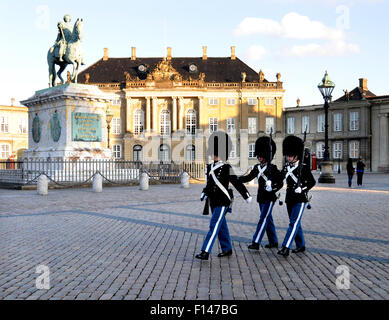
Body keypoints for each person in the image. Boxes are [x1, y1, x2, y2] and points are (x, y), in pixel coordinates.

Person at [195, 131, 252, 260]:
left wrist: (246, 195)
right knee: (221, 226)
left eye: (216, 152)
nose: (214, 154)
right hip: (213, 201)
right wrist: (204, 193)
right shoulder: (210, 167)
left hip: (223, 201)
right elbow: (209, 184)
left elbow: (236, 182)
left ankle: (205, 251)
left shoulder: (227, 167)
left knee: (214, 225)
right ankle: (227, 249)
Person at [238, 136, 283, 251]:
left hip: (270, 198)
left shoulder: (273, 168)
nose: (259, 158)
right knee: (268, 219)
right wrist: (236, 179)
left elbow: (280, 183)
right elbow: (248, 177)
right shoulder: (257, 168)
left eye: (261, 156)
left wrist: (272, 186)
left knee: (263, 219)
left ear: (267, 156)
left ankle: (256, 241)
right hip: (261, 197)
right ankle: (273, 241)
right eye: (258, 156)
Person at [277, 135, 316, 257]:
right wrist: (271, 184)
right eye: (287, 155)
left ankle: (286, 246)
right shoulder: (286, 167)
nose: (288, 157)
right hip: (290, 198)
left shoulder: (303, 168)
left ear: (296, 155)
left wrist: (303, 188)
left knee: (293, 223)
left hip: (300, 199)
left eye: (290, 155)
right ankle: (301, 245)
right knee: (295, 222)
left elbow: (312, 182)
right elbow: (279, 180)